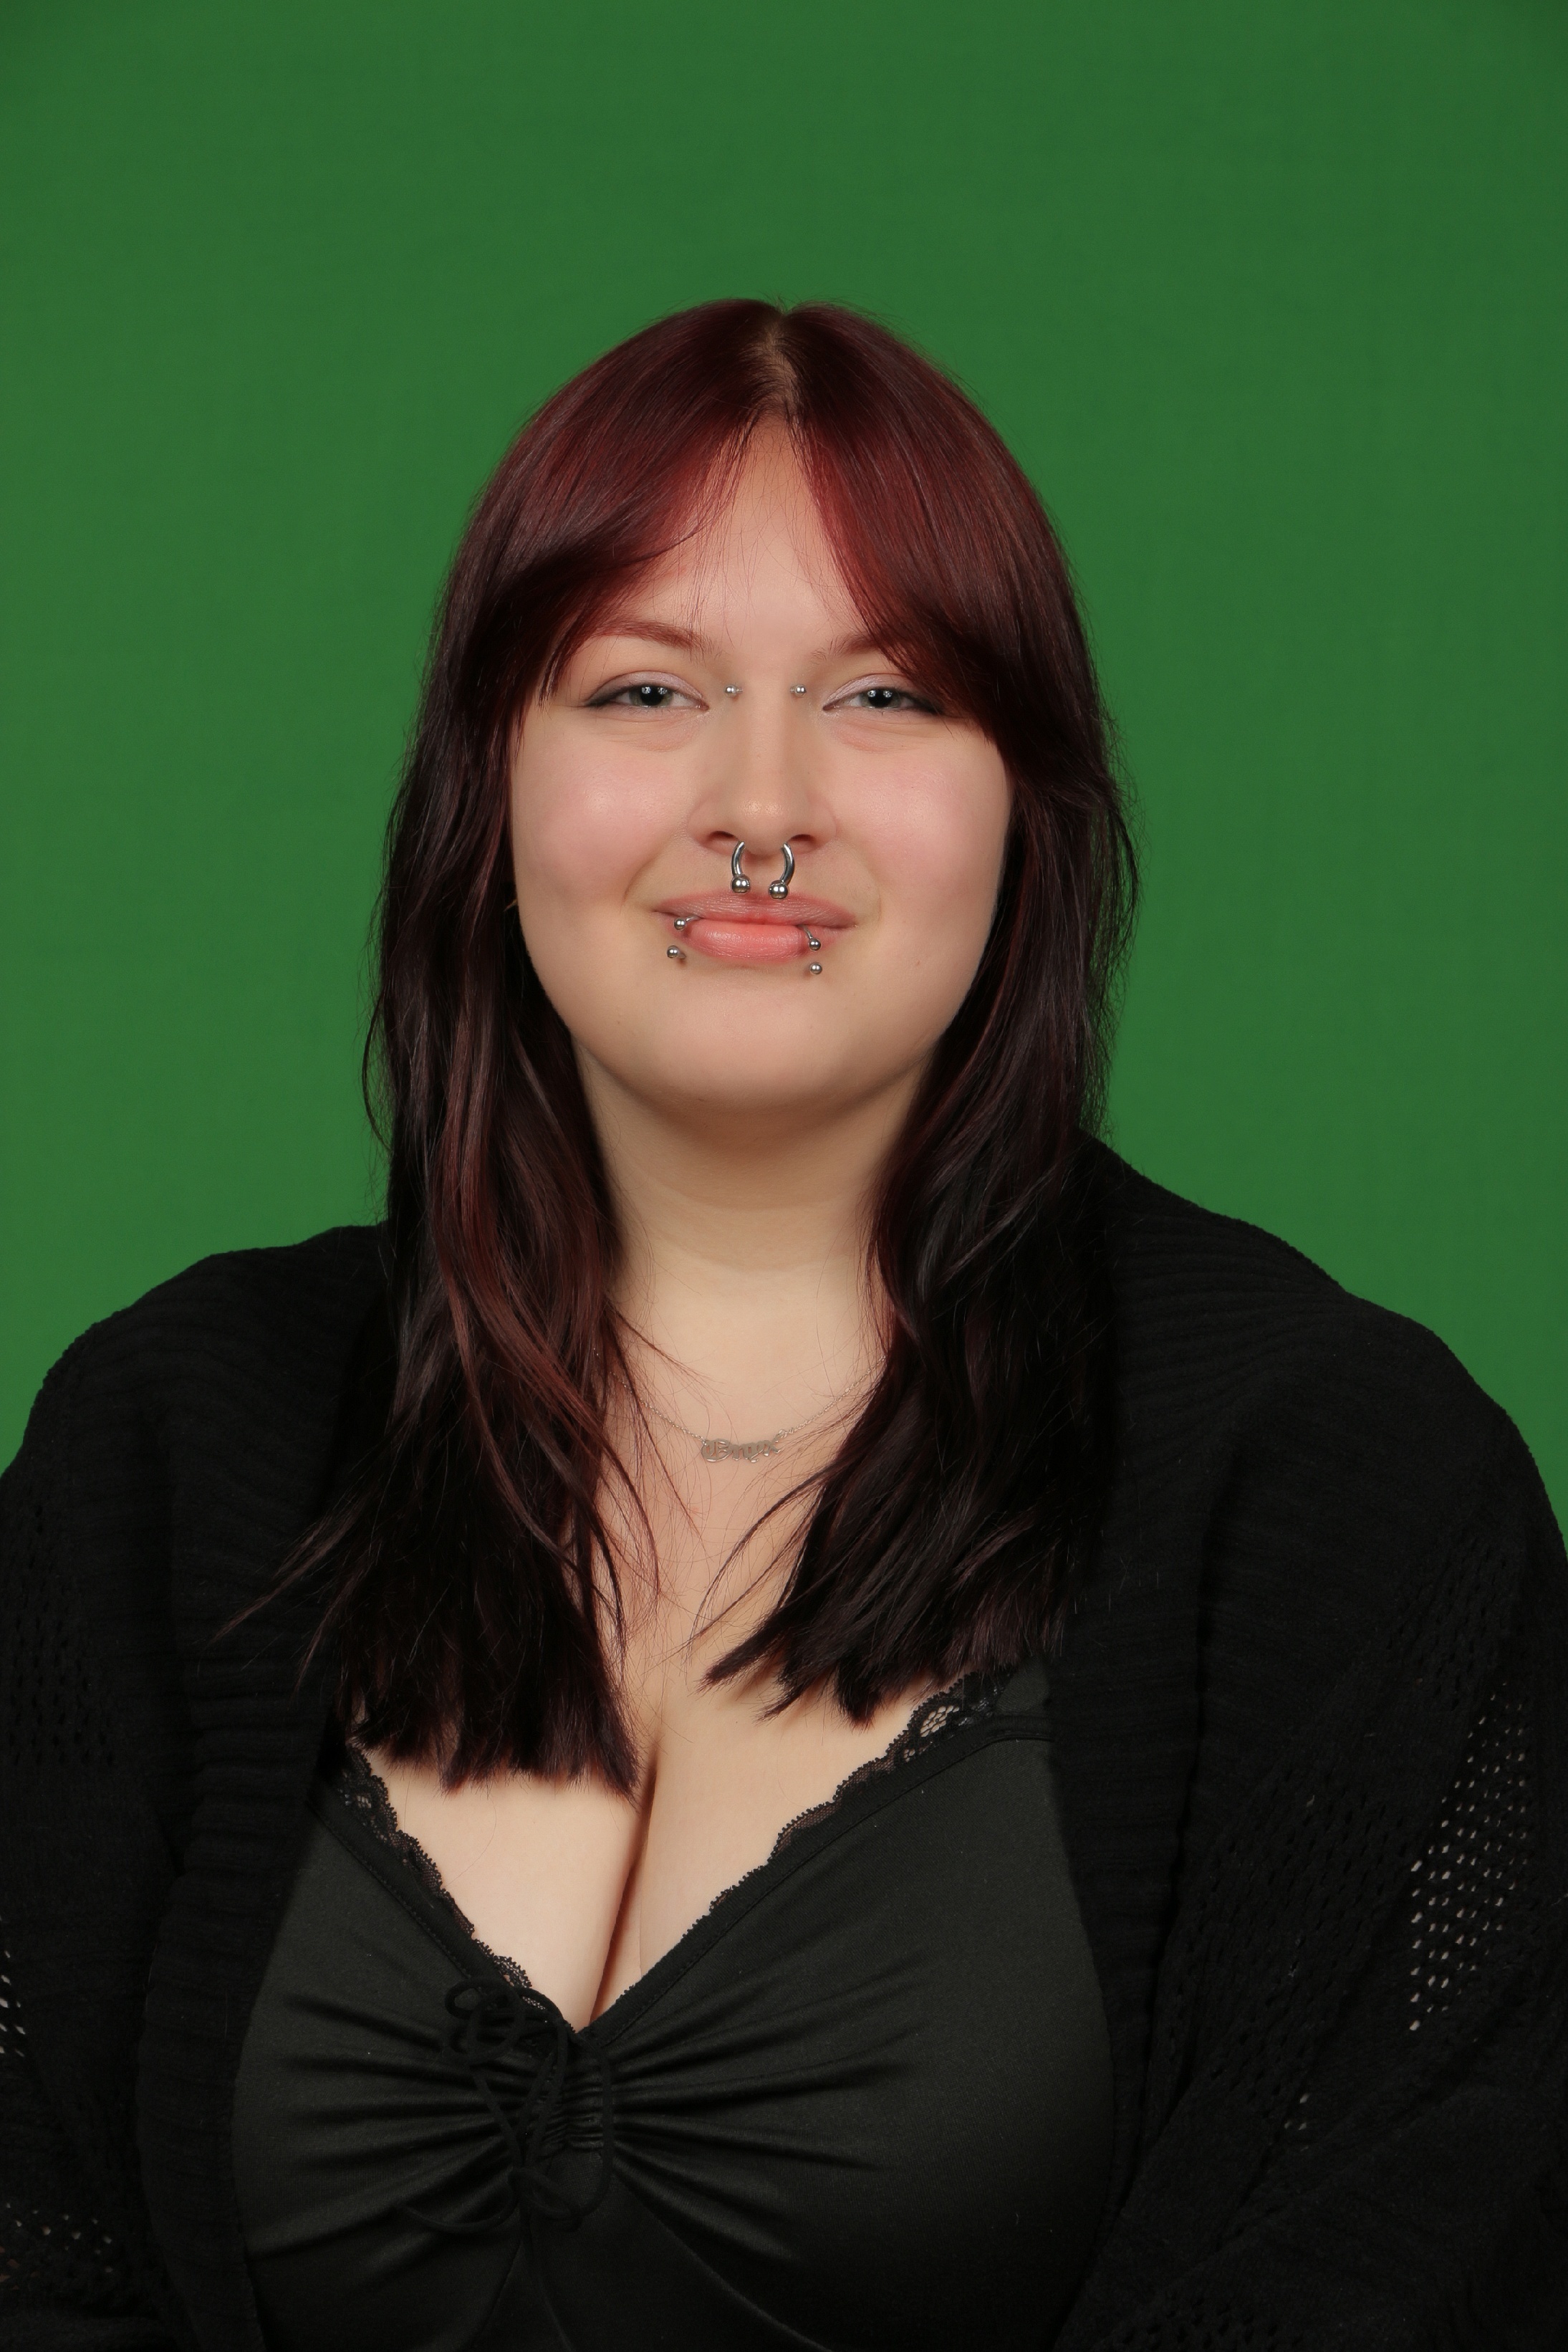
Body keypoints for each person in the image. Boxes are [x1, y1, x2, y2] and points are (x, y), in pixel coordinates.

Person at [1, 299, 1564, 2352]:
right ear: (489, 786)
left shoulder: (1345, 1494)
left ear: (1026, 804)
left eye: (887, 693)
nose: (762, 802)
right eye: (645, 686)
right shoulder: (162, 1443)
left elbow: (1421, 2266)